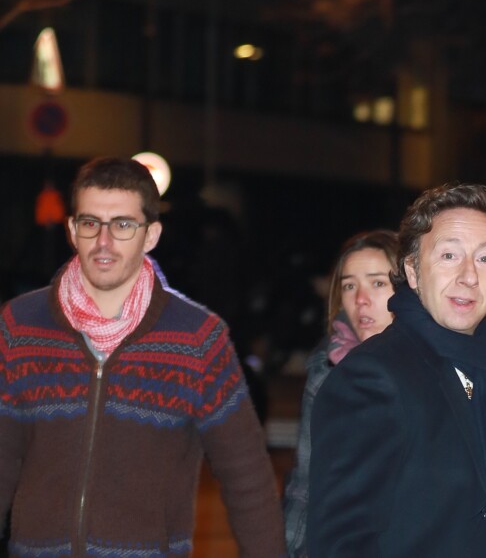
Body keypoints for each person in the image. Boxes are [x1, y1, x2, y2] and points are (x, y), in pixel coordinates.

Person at [0, 157, 286, 558]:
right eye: (90, 223)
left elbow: (247, 477)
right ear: (71, 230)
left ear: (150, 235)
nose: (103, 242)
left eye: (122, 225)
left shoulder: (198, 339)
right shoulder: (19, 325)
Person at [307, 183, 486, 558]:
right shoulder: (372, 376)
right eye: (449, 256)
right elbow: (341, 544)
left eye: (485, 259)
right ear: (412, 271)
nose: (469, 275)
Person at [283, 229, 398, 557]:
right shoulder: (327, 372)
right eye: (349, 285)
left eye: (378, 283)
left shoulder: (442, 370)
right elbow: (305, 486)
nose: (361, 299)